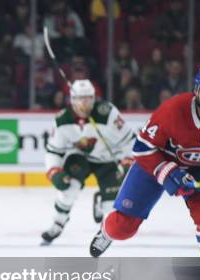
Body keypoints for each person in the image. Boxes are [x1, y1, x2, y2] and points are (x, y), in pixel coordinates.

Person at [89, 66, 200, 280]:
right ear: (197, 90)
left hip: (198, 167)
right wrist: (169, 172)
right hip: (155, 163)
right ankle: (106, 232)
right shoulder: (173, 109)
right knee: (123, 228)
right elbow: (141, 148)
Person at [41, 79, 134, 244]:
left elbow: (129, 140)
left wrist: (127, 161)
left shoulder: (108, 113)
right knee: (68, 188)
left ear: (94, 98)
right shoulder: (63, 119)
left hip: (107, 159)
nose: (85, 103)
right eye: (80, 98)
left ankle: (102, 207)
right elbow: (54, 151)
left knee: (111, 205)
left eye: (89, 98)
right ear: (72, 99)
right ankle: (58, 222)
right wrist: (54, 171)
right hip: (80, 158)